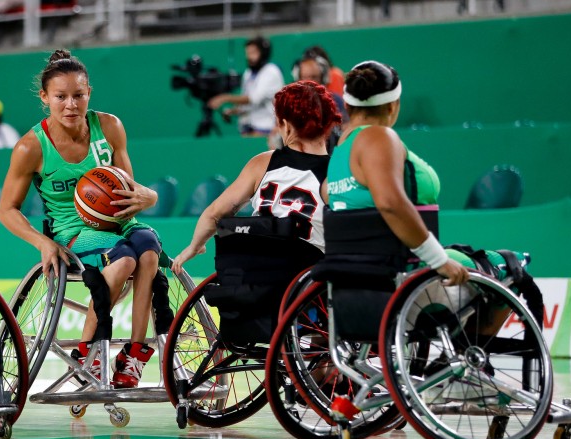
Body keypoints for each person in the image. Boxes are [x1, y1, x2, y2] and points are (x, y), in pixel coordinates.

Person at [0, 49, 162, 388]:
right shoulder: (31, 147)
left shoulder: (110, 127)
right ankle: (89, 352)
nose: (70, 104)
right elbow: (6, 210)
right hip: (72, 230)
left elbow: (129, 189)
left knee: (148, 247)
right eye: (61, 97)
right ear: (45, 98)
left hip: (117, 220)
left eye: (78, 95)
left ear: (89, 94)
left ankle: (135, 352)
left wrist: (151, 196)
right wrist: (42, 242)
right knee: (124, 259)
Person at [172, 80, 342, 274]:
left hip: (253, 277)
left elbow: (215, 213)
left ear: (285, 125)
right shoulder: (335, 172)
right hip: (304, 280)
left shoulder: (263, 163)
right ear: (329, 125)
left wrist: (194, 246)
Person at [323, 60, 469, 285]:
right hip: (401, 265)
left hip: (351, 268)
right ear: (393, 106)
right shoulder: (379, 137)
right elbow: (390, 203)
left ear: (349, 107)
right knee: (504, 265)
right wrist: (438, 259)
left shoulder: (340, 149)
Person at [208, 36, 284, 137]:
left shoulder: (271, 71)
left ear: (263, 53)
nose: (249, 57)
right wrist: (233, 111)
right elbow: (246, 102)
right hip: (248, 128)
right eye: (247, 53)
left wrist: (224, 98)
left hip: (268, 129)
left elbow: (254, 99)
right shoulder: (248, 73)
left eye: (253, 53)